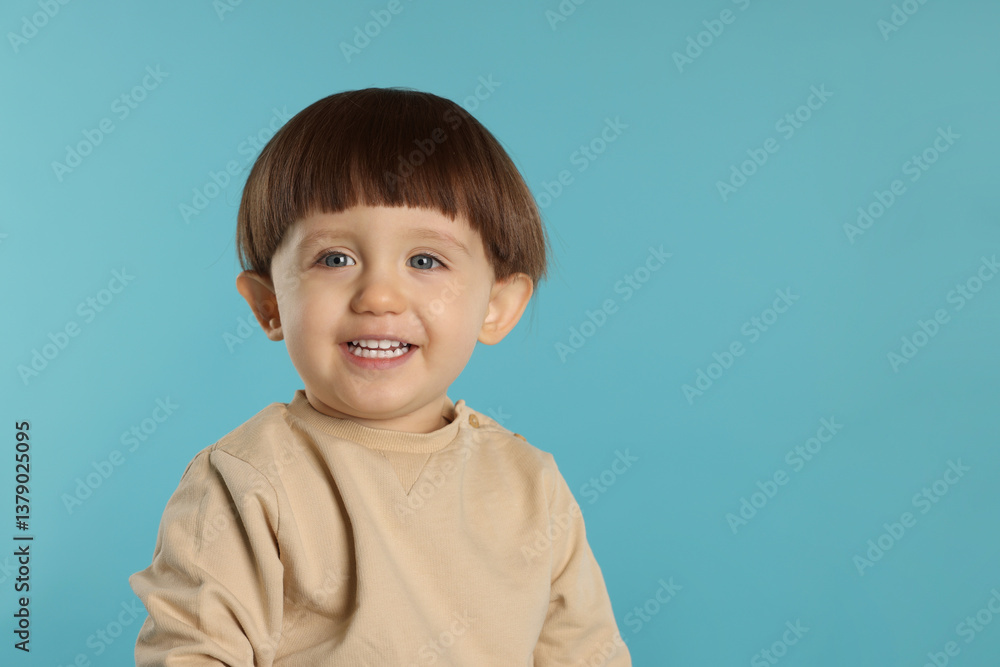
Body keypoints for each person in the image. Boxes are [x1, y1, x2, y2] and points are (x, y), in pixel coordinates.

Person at [129, 87, 631, 665]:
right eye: (335, 259)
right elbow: (191, 653)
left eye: (425, 260)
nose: (379, 296)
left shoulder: (531, 486)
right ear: (269, 304)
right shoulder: (246, 481)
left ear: (497, 306)